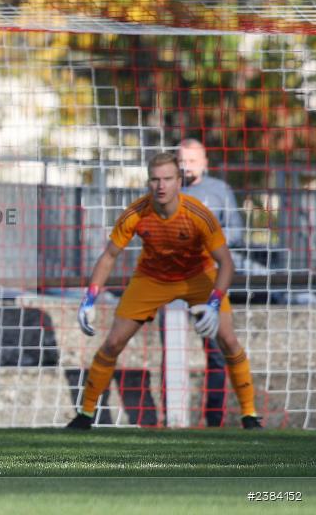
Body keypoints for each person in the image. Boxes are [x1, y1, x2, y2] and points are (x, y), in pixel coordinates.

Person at [67, 152, 261, 431]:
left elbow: (226, 263)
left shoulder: (198, 214)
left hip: (198, 277)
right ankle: (85, 414)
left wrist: (214, 304)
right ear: (148, 182)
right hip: (151, 278)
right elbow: (109, 255)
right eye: (155, 179)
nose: (161, 186)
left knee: (229, 341)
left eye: (167, 179)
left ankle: (250, 415)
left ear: (179, 181)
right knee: (112, 343)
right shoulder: (136, 212)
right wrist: (89, 299)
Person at [177, 138, 244, 426]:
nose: (186, 167)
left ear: (204, 162)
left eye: (192, 161)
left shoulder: (219, 191)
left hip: (208, 282)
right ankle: (172, 419)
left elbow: (237, 233)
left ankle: (213, 420)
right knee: (172, 351)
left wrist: (207, 244)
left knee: (216, 352)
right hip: (170, 281)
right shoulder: (164, 189)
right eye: (182, 160)